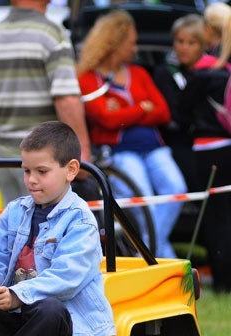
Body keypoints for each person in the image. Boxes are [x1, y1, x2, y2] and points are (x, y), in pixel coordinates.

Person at [0, 121, 115, 336]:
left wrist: (16, 295)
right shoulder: (15, 211)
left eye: (41, 171)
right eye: (27, 171)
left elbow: (67, 278)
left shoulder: (79, 220)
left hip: (67, 321)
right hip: (17, 312)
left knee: (50, 311)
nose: (31, 180)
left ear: (71, 170)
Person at [76, 9, 187, 259]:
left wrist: (124, 111)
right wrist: (141, 107)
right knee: (143, 199)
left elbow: (163, 112)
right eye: (131, 42)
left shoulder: (139, 73)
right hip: (119, 152)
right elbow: (104, 118)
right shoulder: (87, 77)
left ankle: (145, 250)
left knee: (176, 187)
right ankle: (161, 257)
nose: (135, 47)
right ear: (114, 42)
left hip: (153, 147)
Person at [0, 0, 92, 204]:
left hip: (4, 159)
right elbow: (66, 98)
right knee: (49, 231)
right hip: (45, 160)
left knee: (18, 228)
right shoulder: (52, 34)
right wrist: (82, 150)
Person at [178, 4, 231, 292]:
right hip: (228, 145)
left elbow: (181, 112)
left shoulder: (204, 71)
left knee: (215, 218)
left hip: (208, 149)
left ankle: (223, 282)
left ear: (209, 30)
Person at [153, 14, 208, 192]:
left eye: (191, 43)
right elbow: (174, 115)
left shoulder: (212, 72)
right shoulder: (165, 73)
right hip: (178, 143)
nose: (184, 48)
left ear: (203, 45)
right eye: (180, 41)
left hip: (208, 140)